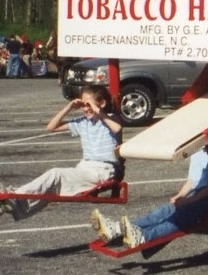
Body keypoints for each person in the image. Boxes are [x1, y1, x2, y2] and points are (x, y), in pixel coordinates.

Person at [0, 86, 122, 220]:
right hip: (85, 168)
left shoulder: (110, 118)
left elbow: (117, 128)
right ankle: (15, 204)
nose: (85, 109)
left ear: (102, 103)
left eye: (88, 105)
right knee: (50, 188)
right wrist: (68, 108)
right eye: (83, 105)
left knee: (55, 174)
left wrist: (98, 110)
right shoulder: (83, 122)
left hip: (102, 170)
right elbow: (51, 127)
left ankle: (14, 197)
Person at [91, 140, 208, 247]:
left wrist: (190, 201)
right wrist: (180, 196)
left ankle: (143, 237)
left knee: (180, 217)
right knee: (164, 210)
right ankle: (116, 229)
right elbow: (192, 181)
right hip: (198, 195)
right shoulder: (198, 152)